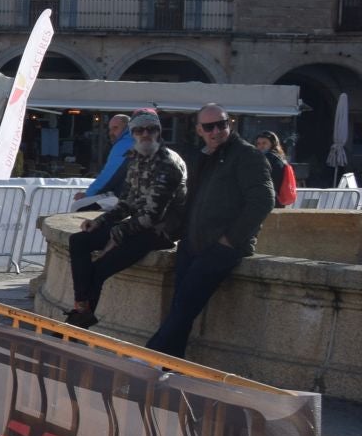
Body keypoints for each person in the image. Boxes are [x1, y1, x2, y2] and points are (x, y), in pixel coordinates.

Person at [145, 104, 275, 358]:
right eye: (209, 127)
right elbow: (190, 199)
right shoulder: (202, 156)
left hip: (220, 248)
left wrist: (229, 240)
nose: (216, 131)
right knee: (180, 310)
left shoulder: (247, 155)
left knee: (183, 308)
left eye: (221, 124)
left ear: (230, 124)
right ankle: (167, 370)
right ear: (199, 130)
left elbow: (263, 200)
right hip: (193, 243)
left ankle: (145, 360)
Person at [65, 113, 187, 328]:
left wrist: (117, 233)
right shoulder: (135, 159)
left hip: (160, 231)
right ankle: (81, 305)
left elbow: (153, 216)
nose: (146, 134)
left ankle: (79, 320)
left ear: (159, 133)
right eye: (140, 131)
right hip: (138, 224)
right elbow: (127, 202)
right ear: (132, 134)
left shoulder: (168, 163)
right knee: (79, 241)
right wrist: (102, 222)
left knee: (101, 267)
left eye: (151, 129)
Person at [75, 114, 133, 207]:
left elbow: (109, 175)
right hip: (141, 198)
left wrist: (88, 194)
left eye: (115, 128)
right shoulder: (137, 142)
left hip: (127, 200)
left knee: (78, 206)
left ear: (127, 127)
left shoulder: (124, 145)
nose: (111, 132)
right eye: (110, 129)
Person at [252, 132, 298, 208]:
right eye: (258, 144)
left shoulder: (267, 158)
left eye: (264, 143)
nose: (261, 146)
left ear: (272, 144)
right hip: (278, 199)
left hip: (268, 200)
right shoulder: (279, 157)